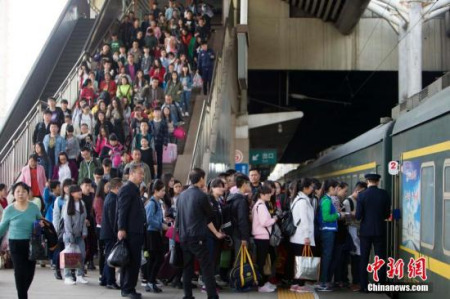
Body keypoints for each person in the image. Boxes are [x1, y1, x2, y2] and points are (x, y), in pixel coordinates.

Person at [176, 168, 225, 299]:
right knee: (207, 267)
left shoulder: (182, 195)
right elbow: (210, 214)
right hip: (197, 237)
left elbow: (178, 217)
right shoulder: (201, 196)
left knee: (187, 267)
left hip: (184, 237)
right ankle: (212, 296)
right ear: (201, 179)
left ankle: (188, 296)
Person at [0, 182, 43, 299]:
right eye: (18, 191)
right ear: (13, 194)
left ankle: (23, 292)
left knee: (30, 273)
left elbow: (41, 220)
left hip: (31, 244)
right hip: (15, 243)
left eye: (23, 191)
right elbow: (2, 227)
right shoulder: (9, 210)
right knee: (19, 272)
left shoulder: (34, 207)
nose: (20, 194)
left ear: (27, 193)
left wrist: (41, 224)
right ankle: (22, 296)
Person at [356, 174, 391, 292]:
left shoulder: (362, 195)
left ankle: (364, 286)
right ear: (378, 181)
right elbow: (387, 214)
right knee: (380, 258)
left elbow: (358, 216)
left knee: (364, 258)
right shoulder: (384, 194)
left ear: (367, 181)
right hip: (380, 230)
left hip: (365, 231)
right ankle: (379, 285)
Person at [117, 164, 146, 299]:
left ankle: (128, 287)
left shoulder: (134, 189)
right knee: (132, 261)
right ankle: (128, 288)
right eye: (140, 173)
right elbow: (122, 210)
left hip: (136, 230)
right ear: (132, 173)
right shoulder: (127, 189)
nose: (142, 176)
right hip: (131, 231)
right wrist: (121, 228)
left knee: (132, 261)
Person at [289, 178, 316, 293]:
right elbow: (304, 220)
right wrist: (307, 237)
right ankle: (300, 285)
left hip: (296, 237)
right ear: (305, 188)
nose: (312, 189)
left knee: (297, 261)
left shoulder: (296, 199)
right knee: (303, 262)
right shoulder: (303, 201)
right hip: (302, 237)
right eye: (311, 187)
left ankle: (295, 284)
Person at [317, 179, 343, 292]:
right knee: (327, 257)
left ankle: (324, 281)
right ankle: (323, 282)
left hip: (327, 231)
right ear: (331, 188)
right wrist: (338, 214)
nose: (338, 190)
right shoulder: (326, 201)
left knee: (327, 256)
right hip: (327, 231)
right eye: (337, 188)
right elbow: (326, 217)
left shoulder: (325, 199)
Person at [252, 185, 278, 293]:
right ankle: (261, 285)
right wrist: (274, 219)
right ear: (261, 195)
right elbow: (264, 222)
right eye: (267, 193)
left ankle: (263, 282)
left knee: (263, 260)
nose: (270, 195)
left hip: (260, 236)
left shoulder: (258, 204)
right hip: (262, 236)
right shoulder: (261, 206)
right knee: (262, 262)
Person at [342, 181, 367, 292]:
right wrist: (353, 214)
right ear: (357, 190)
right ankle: (355, 281)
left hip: (359, 231)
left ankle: (358, 281)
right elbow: (346, 219)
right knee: (355, 256)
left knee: (359, 255)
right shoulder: (348, 201)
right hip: (352, 231)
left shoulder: (360, 200)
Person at [62, 185, 88, 285]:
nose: (80, 193)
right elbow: (67, 222)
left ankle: (80, 275)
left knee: (82, 254)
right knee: (69, 255)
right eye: (78, 191)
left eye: (80, 191)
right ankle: (67, 276)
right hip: (69, 236)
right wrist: (70, 236)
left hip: (80, 235)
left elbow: (84, 220)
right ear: (72, 193)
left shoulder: (82, 203)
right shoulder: (67, 204)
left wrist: (84, 232)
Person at [144, 180, 167, 293]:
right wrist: (161, 225)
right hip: (152, 233)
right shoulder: (152, 203)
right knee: (157, 258)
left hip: (156, 233)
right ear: (155, 191)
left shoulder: (157, 202)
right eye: (162, 190)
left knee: (155, 259)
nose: (164, 192)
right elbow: (148, 219)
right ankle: (150, 281)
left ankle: (151, 281)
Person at [100, 178, 123, 289]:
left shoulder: (110, 197)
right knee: (111, 257)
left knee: (108, 256)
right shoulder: (113, 199)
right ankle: (110, 281)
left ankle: (105, 279)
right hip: (110, 233)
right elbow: (113, 219)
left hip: (107, 232)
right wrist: (117, 232)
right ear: (117, 187)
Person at [226, 174, 251, 256]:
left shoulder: (232, 198)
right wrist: (244, 238)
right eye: (248, 183)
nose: (250, 186)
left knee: (238, 259)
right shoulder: (241, 201)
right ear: (244, 184)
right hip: (240, 235)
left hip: (234, 233)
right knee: (241, 260)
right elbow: (242, 220)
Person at [93, 179, 109, 280]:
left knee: (104, 252)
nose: (108, 188)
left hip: (104, 227)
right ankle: (101, 273)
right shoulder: (99, 199)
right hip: (101, 228)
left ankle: (104, 273)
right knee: (102, 252)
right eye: (107, 186)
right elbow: (100, 216)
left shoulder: (105, 197)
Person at [149, 107, 169, 179]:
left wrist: (165, 143)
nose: (157, 113)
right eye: (155, 112)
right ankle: (152, 174)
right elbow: (149, 133)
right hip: (152, 143)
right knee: (152, 159)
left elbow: (166, 134)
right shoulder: (150, 122)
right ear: (153, 113)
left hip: (160, 143)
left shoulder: (163, 122)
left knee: (160, 160)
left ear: (161, 113)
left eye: (158, 111)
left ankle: (159, 175)